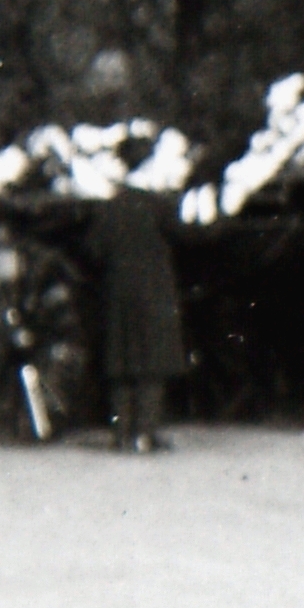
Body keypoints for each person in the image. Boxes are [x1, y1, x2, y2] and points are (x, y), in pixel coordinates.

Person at [88, 193, 186, 453]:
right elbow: (186, 236)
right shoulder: (160, 204)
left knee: (120, 362)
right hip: (154, 292)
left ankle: (122, 434)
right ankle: (145, 433)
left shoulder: (108, 207)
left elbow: (94, 249)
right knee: (152, 363)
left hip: (118, 293)